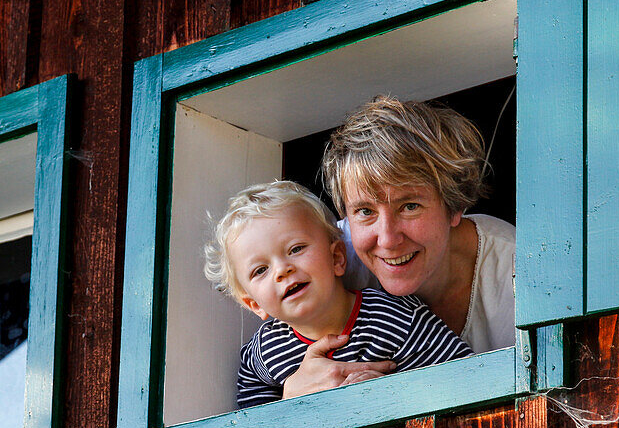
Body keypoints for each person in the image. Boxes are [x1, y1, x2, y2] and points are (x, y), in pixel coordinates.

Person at [283, 95, 515, 399]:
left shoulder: (518, 272)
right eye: (365, 211)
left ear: (454, 205)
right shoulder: (329, 260)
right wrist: (289, 393)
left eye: (410, 206)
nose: (388, 239)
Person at [203, 181, 472, 408]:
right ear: (254, 304)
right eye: (261, 270)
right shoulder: (266, 350)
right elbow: (252, 427)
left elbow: (466, 376)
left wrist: (393, 392)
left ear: (337, 257)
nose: (282, 270)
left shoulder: (397, 318)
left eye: (296, 249)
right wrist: (286, 404)